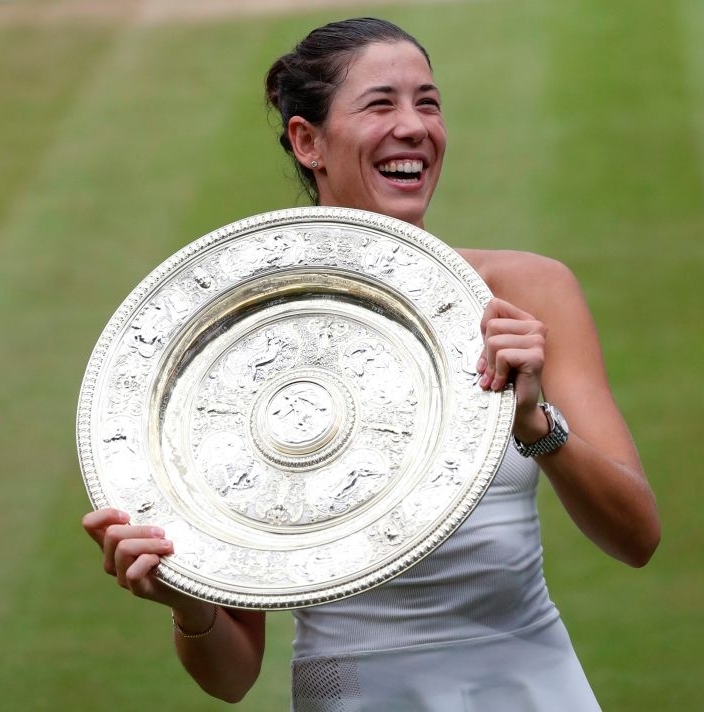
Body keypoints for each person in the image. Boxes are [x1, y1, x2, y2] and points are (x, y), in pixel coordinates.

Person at [83, 17, 660, 710]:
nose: (414, 126)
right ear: (308, 141)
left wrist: (538, 427)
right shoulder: (243, 348)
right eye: (381, 104)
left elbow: (636, 537)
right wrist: (188, 603)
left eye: (429, 102)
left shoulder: (528, 294)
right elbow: (231, 676)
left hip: (532, 687)